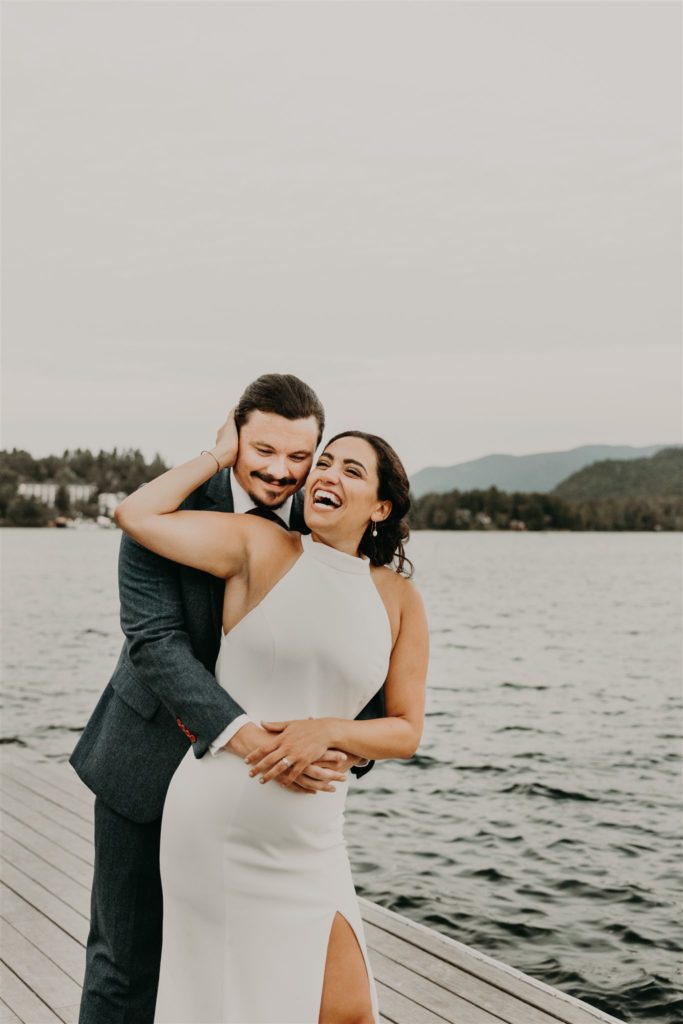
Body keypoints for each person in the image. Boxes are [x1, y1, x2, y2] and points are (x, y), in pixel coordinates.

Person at [70, 374, 385, 1024]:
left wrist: (346, 747)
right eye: (263, 450)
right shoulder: (171, 503)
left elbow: (358, 635)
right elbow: (154, 643)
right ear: (233, 432)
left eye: (300, 456)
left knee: (244, 973)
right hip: (146, 766)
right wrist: (248, 737)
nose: (280, 471)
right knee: (126, 965)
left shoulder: (319, 520)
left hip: (266, 800)